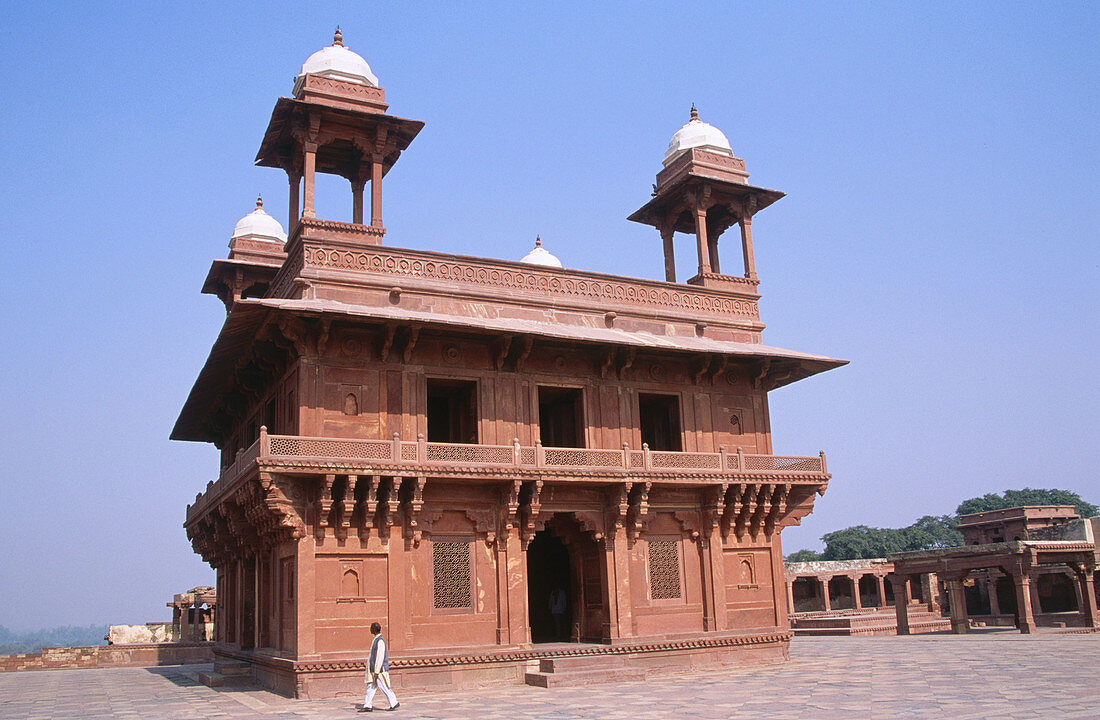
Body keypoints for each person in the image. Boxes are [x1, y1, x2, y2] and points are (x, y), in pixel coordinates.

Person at [361, 622, 399, 712]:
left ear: (374, 629)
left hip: (379, 671)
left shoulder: (380, 641)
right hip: (374, 670)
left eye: (371, 628)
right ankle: (367, 705)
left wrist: (377, 672)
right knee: (371, 686)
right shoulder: (376, 639)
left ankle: (394, 702)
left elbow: (380, 657)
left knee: (384, 687)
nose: (370, 629)